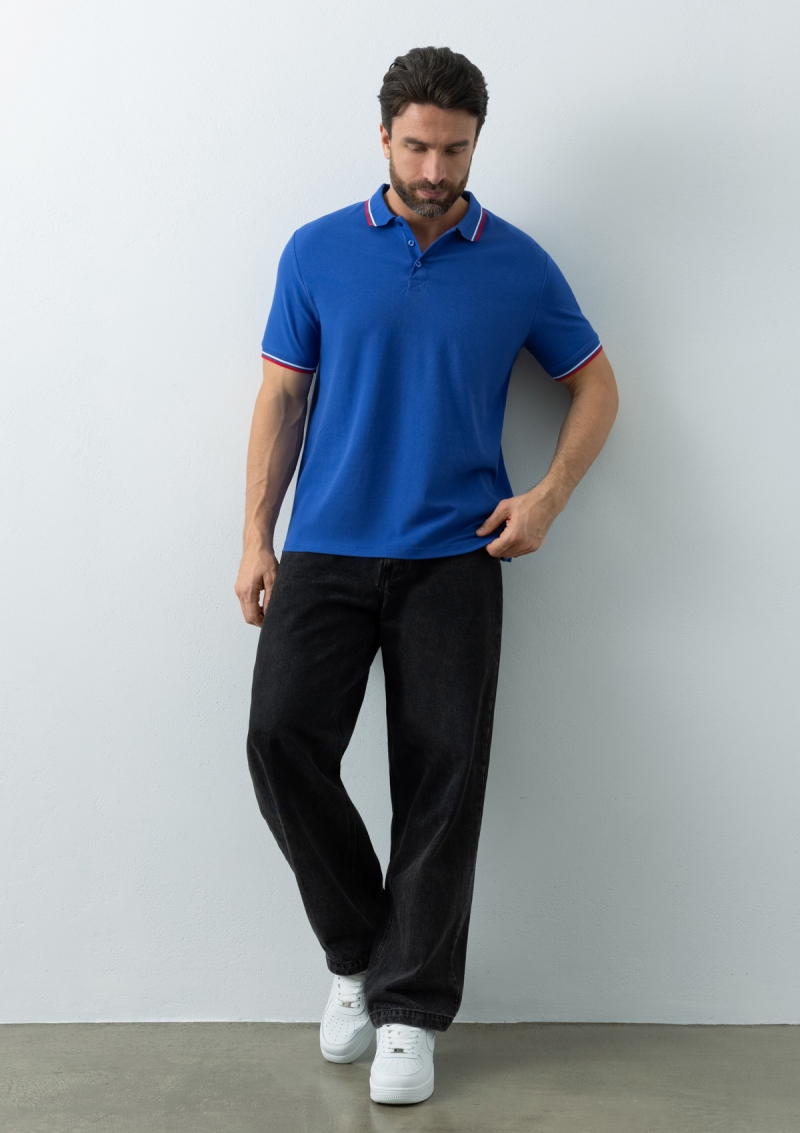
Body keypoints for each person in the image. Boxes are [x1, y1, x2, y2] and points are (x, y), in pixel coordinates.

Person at [235, 45, 618, 1106]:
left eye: (453, 150)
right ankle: (358, 949)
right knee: (279, 739)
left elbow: (595, 386)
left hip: (455, 557)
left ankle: (407, 1011)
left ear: (476, 143)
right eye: (416, 147)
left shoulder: (519, 264)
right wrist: (256, 536)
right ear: (383, 137)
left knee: (443, 779)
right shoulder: (316, 251)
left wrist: (546, 498)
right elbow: (280, 398)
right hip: (324, 549)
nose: (434, 170)